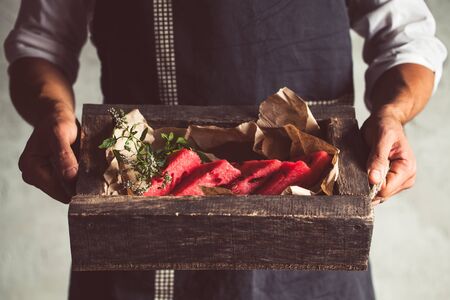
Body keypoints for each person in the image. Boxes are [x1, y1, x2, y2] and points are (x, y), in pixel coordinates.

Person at [4, 0, 447, 299]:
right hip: (135, 216)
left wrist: (393, 112)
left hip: (312, 223)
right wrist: (52, 114)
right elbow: (40, 46)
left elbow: (407, 39)